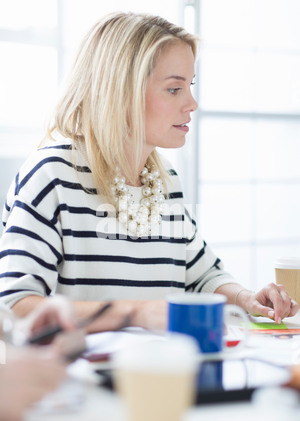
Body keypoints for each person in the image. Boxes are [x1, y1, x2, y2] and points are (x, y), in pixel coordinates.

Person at [0, 12, 298, 333]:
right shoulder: (53, 175)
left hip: (160, 373)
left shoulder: (165, 181)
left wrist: (246, 298)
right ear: (120, 92)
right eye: (174, 89)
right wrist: (136, 313)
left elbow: (201, 276)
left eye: (190, 86)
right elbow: (17, 305)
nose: (192, 103)